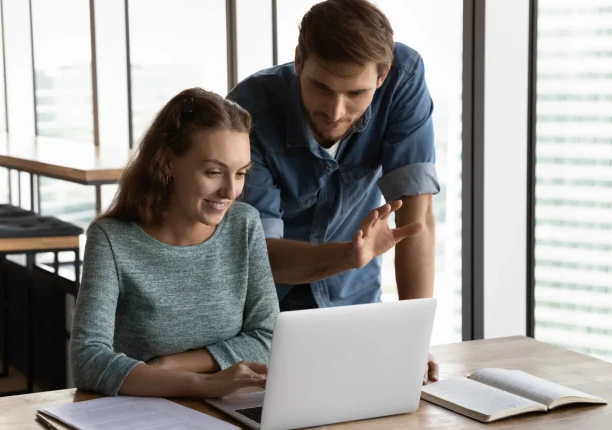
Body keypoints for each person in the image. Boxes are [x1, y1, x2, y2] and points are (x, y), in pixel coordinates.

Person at [228, 0, 440, 384]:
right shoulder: (249, 108)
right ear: (298, 62)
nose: (335, 111)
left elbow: (416, 218)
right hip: (263, 315)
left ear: (382, 76)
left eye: (355, 93)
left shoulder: (403, 78)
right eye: (320, 87)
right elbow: (259, 258)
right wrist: (349, 255)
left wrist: (413, 339)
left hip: (353, 305)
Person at [70, 88, 280, 398]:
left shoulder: (244, 225)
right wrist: (204, 384)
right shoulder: (111, 240)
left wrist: (172, 365)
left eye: (241, 173)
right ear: (168, 162)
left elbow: (269, 337)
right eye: (213, 172)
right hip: (144, 412)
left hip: (228, 406)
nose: (230, 191)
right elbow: (87, 359)